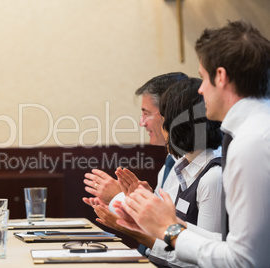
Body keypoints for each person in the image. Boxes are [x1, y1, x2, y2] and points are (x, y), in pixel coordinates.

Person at [116, 20, 270, 267]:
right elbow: (232, 245)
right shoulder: (252, 130)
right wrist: (170, 225)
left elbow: (245, 261)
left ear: (220, 77)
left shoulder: (251, 142)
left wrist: (170, 230)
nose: (200, 91)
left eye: (203, 78)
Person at [97, 77, 223, 267]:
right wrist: (144, 210)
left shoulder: (212, 176)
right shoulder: (185, 170)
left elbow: (203, 260)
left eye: (164, 118)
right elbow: (177, 234)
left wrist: (134, 229)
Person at [82, 72, 188, 211]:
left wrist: (119, 197)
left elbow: (171, 225)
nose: (142, 123)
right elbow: (159, 220)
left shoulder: (195, 163)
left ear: (169, 113)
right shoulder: (171, 160)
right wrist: (123, 202)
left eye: (146, 114)